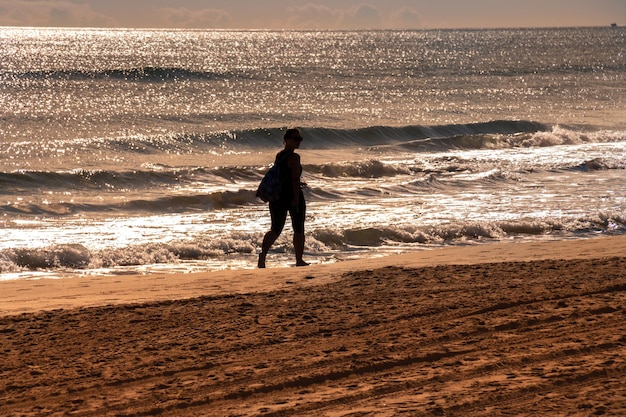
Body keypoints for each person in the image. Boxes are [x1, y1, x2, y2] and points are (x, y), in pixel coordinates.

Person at [258, 128, 309, 268]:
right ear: (286, 140)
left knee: (275, 228)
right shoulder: (294, 157)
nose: (298, 142)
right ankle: (299, 260)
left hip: (277, 197)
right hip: (291, 196)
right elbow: (293, 179)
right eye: (295, 139)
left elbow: (283, 176)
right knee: (298, 228)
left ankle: (262, 255)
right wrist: (296, 198)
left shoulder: (280, 155)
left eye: (300, 139)